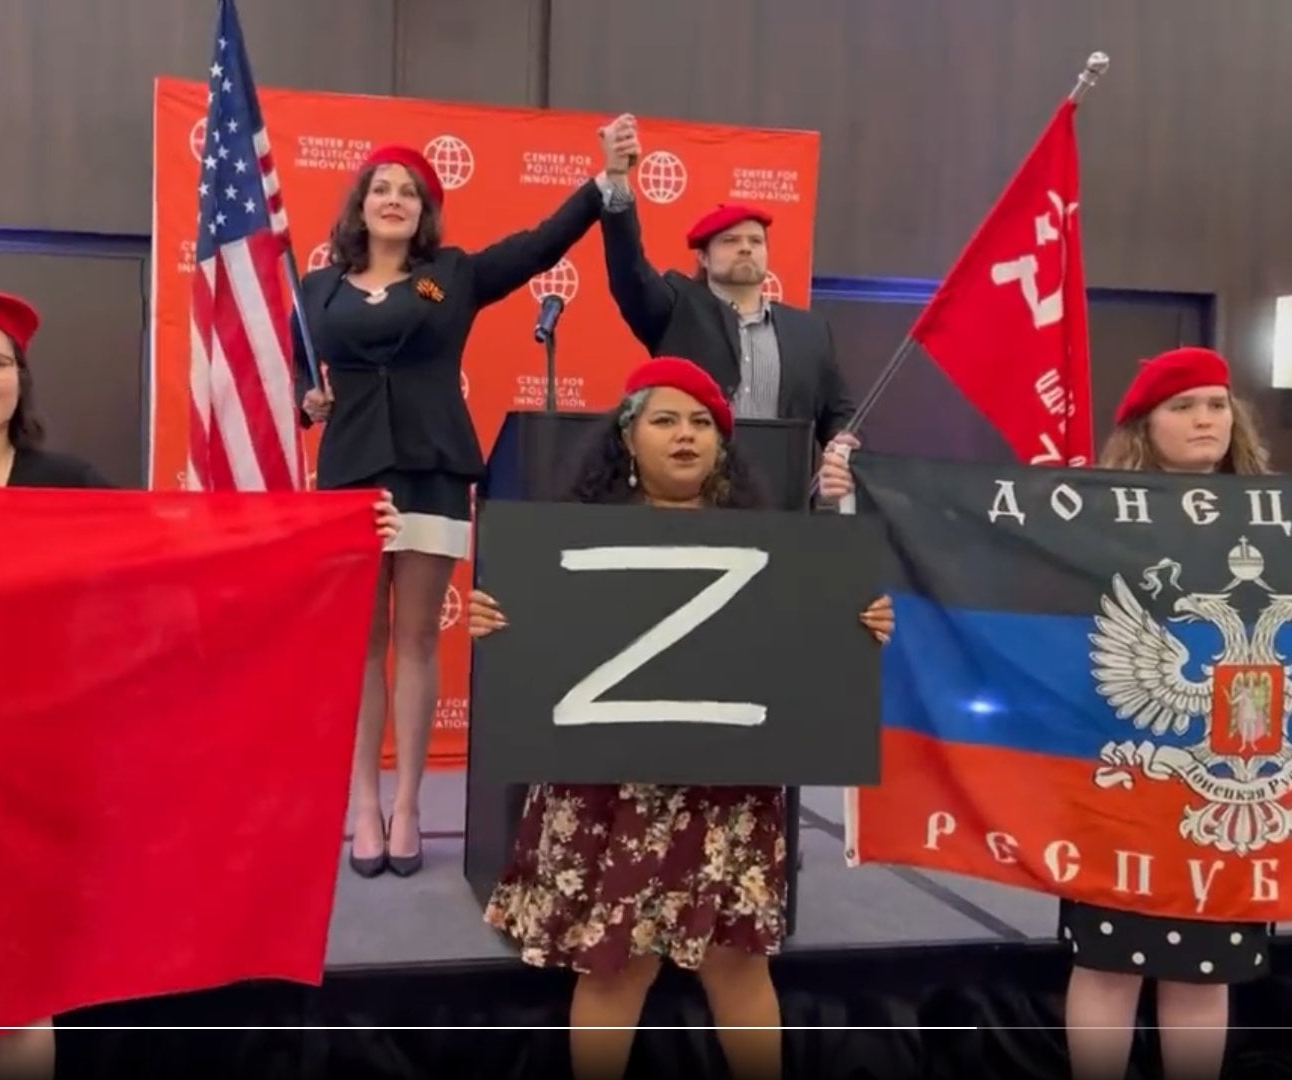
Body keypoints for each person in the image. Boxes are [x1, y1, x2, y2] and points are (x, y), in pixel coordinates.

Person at [0, 289, 398, 1079]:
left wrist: (337, 540)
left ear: (20, 379)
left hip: (31, 775)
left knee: (20, 996)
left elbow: (186, 562)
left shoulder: (69, 485)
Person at [473, 357, 895, 1080]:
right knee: (615, 968)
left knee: (738, 966)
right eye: (665, 420)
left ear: (721, 446)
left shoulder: (772, 546)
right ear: (627, 437)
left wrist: (859, 627)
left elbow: (800, 651)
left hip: (726, 790)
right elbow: (544, 650)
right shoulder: (571, 540)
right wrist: (495, 622)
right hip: (609, 790)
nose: (686, 435)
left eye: (702, 423)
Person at [293, 135, 632, 879]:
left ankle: (409, 804)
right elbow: (293, 373)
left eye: (409, 192)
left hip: (433, 471)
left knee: (416, 640)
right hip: (349, 476)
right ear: (360, 205)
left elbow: (540, 245)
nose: (394, 200)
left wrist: (602, 182)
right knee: (360, 646)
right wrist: (306, 400)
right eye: (382, 188)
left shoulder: (453, 275)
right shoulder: (314, 290)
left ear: (425, 211)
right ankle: (363, 805)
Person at [1060, 345, 1271, 1080]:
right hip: (1125, 764)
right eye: (1183, 407)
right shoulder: (1093, 517)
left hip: (1233, 773)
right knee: (1108, 960)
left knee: (1205, 967)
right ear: (1145, 426)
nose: (1205, 419)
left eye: (1216, 404)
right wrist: (852, 487)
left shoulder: (1283, 520)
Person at [592, 115, 859, 491]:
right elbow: (629, 272)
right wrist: (618, 181)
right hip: (694, 495)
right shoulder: (677, 306)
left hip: (783, 496)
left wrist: (842, 448)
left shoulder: (810, 330)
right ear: (703, 257)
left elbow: (837, 412)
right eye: (730, 241)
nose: (746, 247)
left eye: (756, 241)